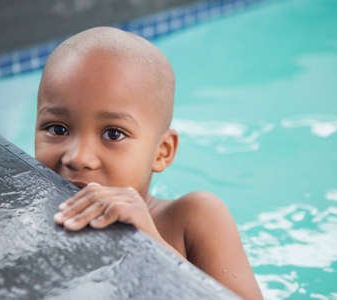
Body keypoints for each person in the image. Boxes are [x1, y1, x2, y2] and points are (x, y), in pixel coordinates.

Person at [34, 26, 262, 300]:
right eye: (58, 129)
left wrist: (152, 243)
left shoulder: (192, 218)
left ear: (161, 152)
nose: (78, 157)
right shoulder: (35, 215)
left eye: (113, 134)